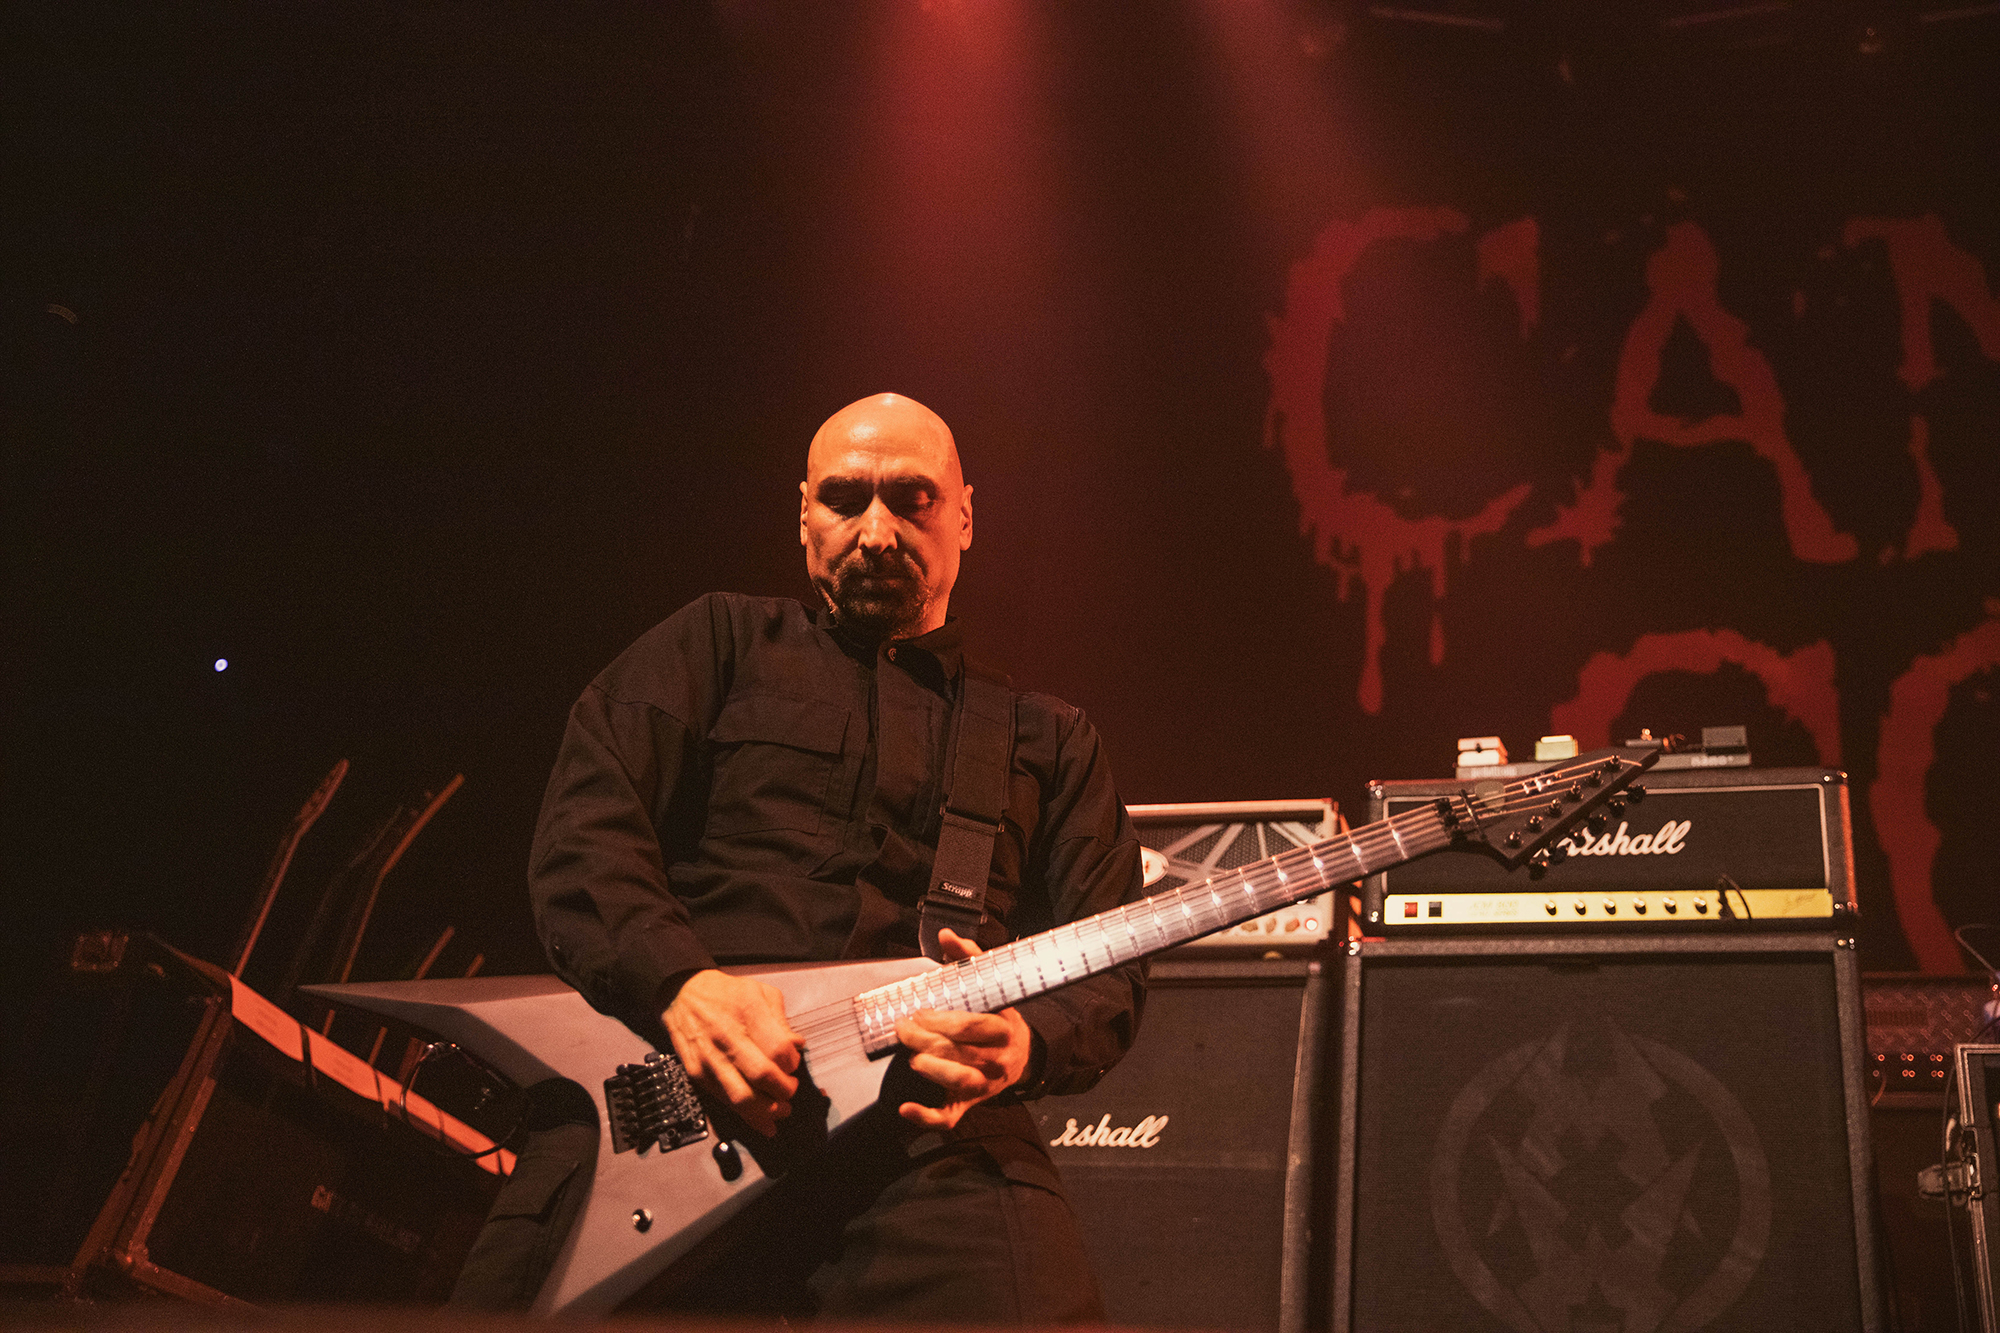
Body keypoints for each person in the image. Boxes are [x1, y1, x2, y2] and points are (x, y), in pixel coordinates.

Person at [509, 393, 1148, 1323]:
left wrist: (1023, 1040)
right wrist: (682, 984)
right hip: (675, 1087)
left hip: (931, 1138)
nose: (877, 531)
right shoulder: (718, 642)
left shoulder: (1047, 738)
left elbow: (1111, 959)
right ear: (804, 513)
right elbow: (585, 833)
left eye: (912, 499)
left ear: (965, 515)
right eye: (847, 499)